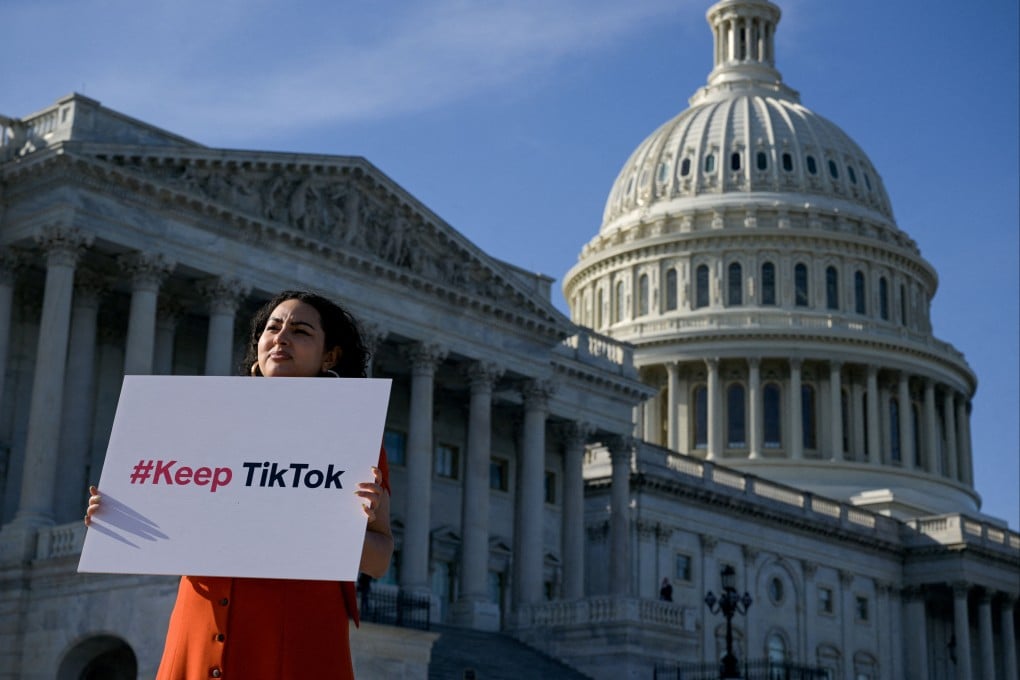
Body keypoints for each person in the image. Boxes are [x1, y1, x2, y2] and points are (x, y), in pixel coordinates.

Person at [85, 290, 393, 679]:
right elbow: (170, 511)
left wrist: (339, 527)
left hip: (295, 635)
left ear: (329, 357)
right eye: (273, 328)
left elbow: (379, 560)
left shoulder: (354, 436)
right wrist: (119, 514)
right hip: (201, 619)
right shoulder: (203, 421)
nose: (281, 338)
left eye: (300, 331)